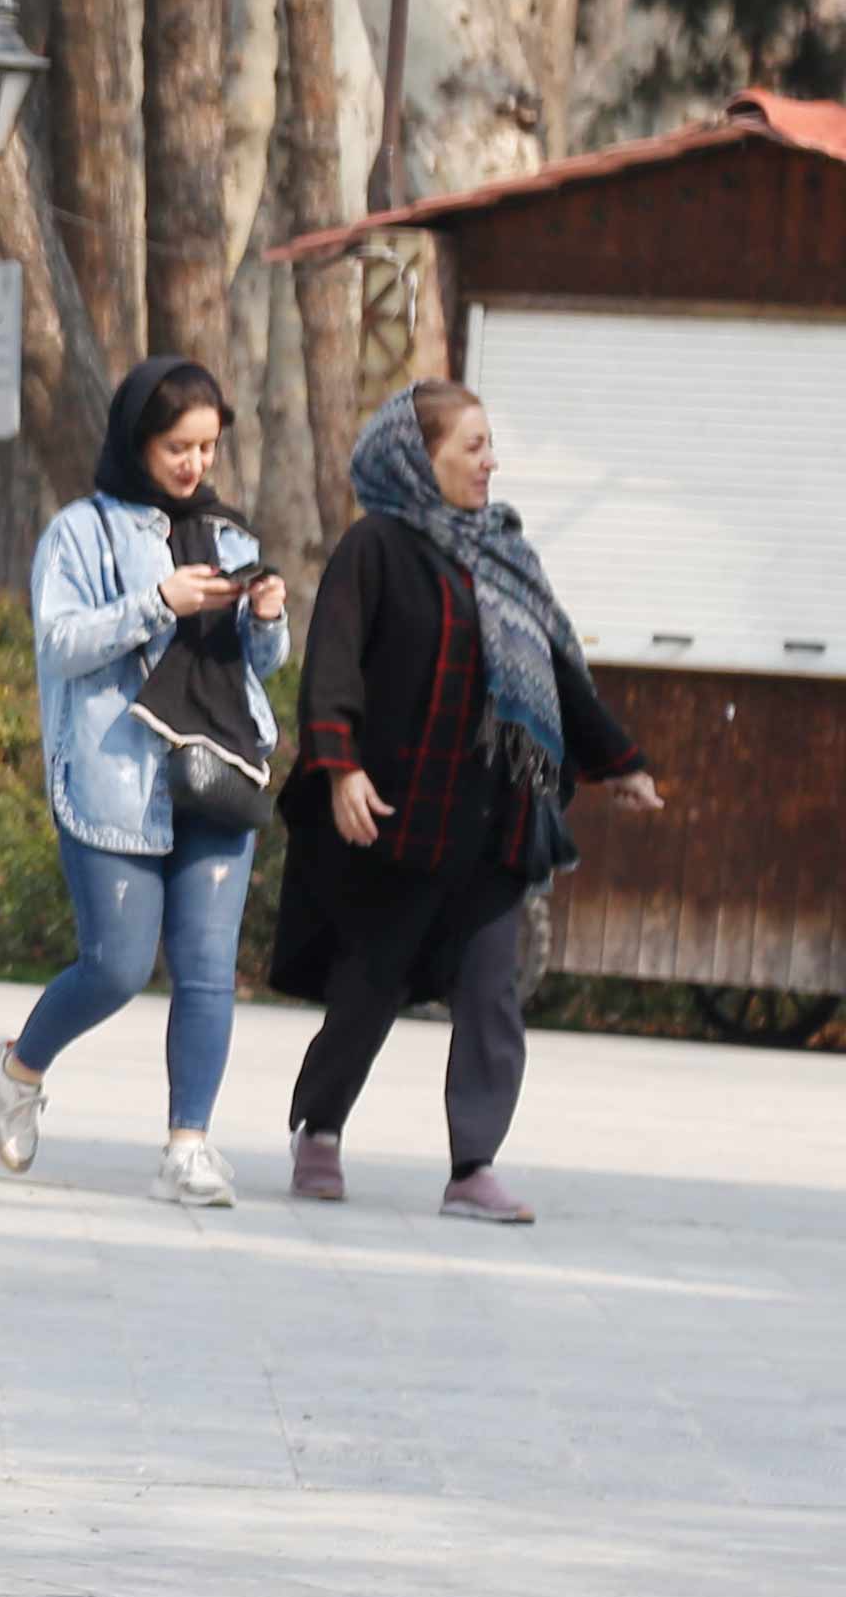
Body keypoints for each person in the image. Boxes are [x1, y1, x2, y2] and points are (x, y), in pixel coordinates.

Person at [272, 382, 662, 1223]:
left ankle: (473, 1165)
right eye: (473, 448)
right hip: (398, 819)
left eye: (491, 447)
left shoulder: (506, 553)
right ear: (421, 459)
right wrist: (340, 769)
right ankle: (320, 1128)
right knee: (370, 988)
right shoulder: (376, 548)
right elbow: (332, 663)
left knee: (492, 995)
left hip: (498, 818)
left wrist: (618, 761)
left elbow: (554, 673)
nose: (491, 464)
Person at [0, 358, 290, 1206]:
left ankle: (188, 1146)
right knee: (116, 966)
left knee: (206, 969)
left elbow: (255, 667)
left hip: (219, 769)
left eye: (207, 447)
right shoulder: (79, 532)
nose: (194, 466)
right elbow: (62, 645)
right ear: (136, 440)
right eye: (177, 447)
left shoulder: (230, 534)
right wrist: (159, 602)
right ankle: (16, 1070)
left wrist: (266, 619)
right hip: (120, 775)